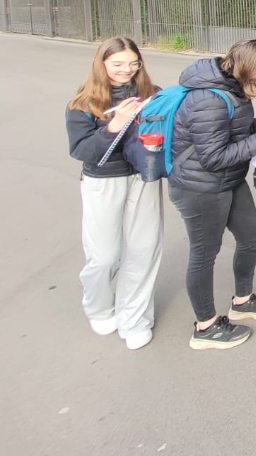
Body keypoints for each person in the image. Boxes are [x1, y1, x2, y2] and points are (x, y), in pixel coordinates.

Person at [171, 40, 256, 350]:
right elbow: (213, 157)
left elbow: (234, 126)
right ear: (248, 65)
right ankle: (206, 327)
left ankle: (243, 300)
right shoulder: (208, 99)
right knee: (204, 254)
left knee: (251, 233)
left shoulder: (231, 85)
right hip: (200, 187)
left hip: (228, 180)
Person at [65, 38, 162, 350]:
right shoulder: (83, 103)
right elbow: (81, 150)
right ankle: (99, 308)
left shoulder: (152, 94)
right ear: (102, 63)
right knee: (104, 256)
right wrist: (114, 125)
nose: (126, 70)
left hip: (144, 176)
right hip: (103, 181)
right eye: (118, 64)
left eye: (133, 63)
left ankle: (134, 319)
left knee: (144, 249)